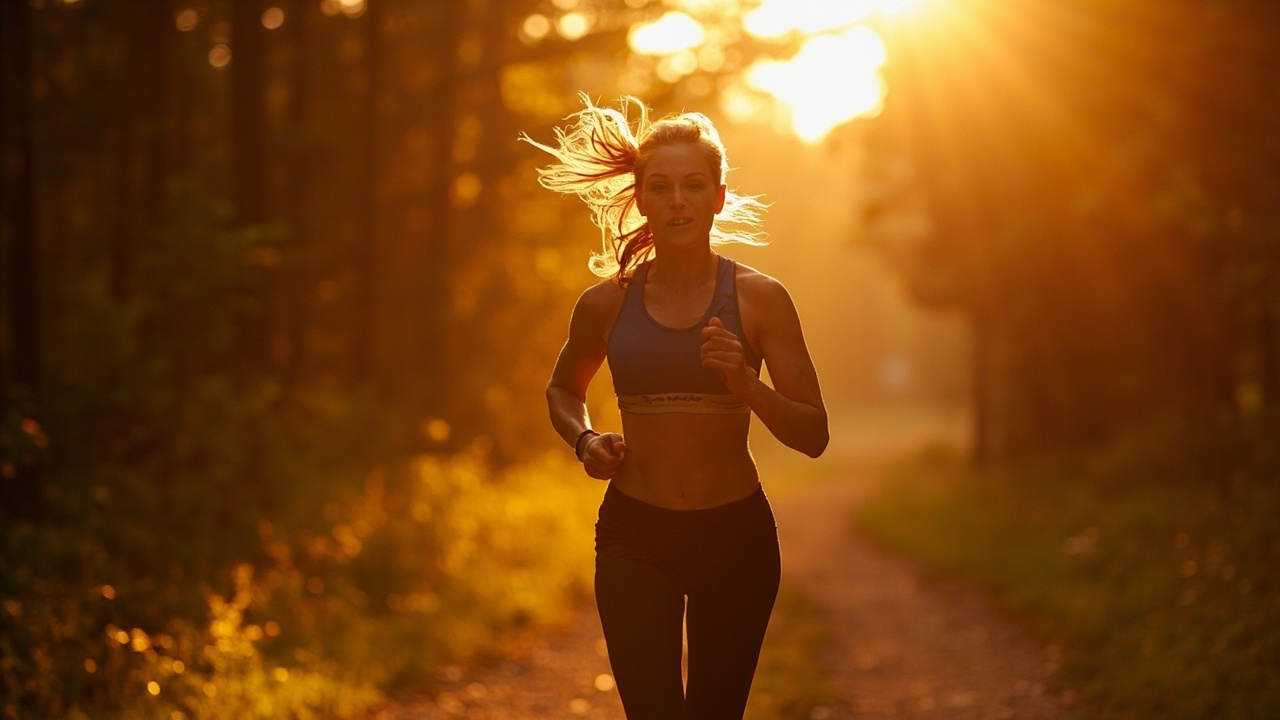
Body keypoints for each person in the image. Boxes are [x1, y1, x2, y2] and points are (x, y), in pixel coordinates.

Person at [521, 95, 828, 720]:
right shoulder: (606, 304)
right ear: (641, 200)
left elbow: (814, 432)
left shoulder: (762, 300)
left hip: (735, 537)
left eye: (693, 186)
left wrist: (747, 385)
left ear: (718, 196)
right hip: (637, 536)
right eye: (660, 187)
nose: (678, 200)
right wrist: (585, 441)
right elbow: (562, 390)